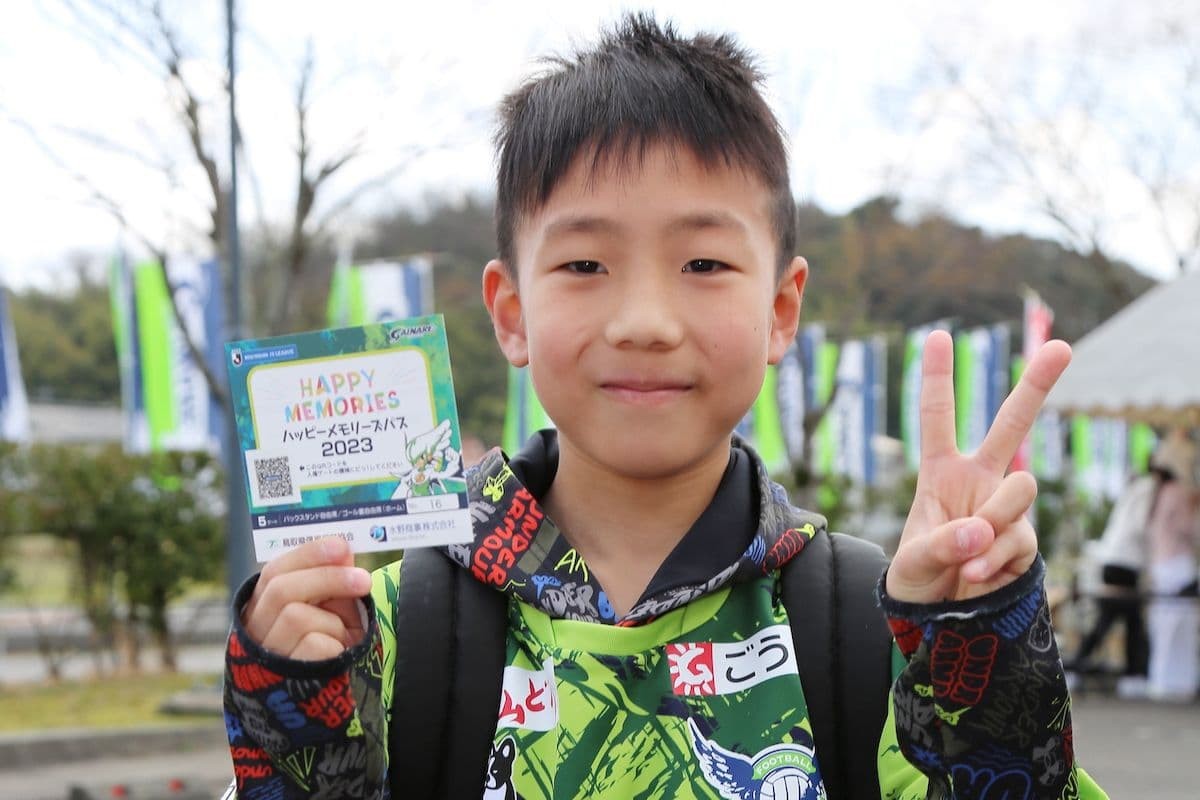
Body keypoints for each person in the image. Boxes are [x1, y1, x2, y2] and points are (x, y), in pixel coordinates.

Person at [220, 15, 1106, 799]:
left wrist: (977, 653)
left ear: (781, 309)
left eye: (704, 265)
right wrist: (289, 703)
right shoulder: (383, 632)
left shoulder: (874, 627)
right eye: (584, 265)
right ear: (511, 312)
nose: (645, 322)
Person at [1064, 470, 1155, 682]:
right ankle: (1081, 666)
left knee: (1119, 620)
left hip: (1113, 560)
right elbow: (1141, 526)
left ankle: (1084, 666)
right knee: (1115, 619)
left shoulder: (1134, 488)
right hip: (1125, 563)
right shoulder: (1148, 490)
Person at [1144, 429, 1200, 701]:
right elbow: (1189, 530)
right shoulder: (1179, 492)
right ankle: (1178, 681)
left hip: (1161, 565)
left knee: (1164, 625)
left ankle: (1164, 679)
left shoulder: (1159, 491)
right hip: (1178, 564)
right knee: (1180, 627)